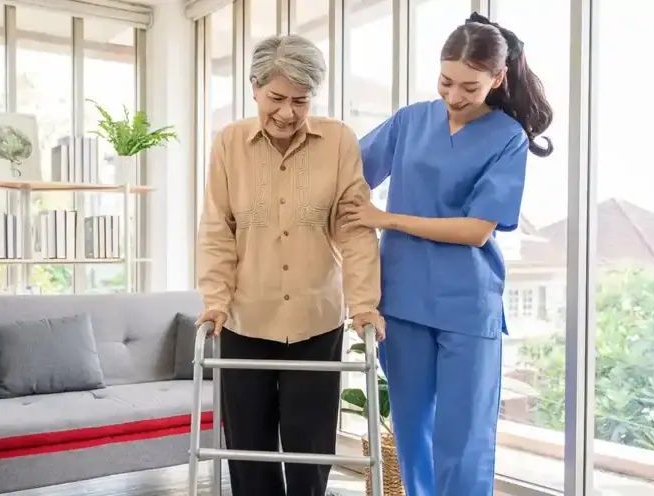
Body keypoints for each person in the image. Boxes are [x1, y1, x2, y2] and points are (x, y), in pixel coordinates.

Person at [339, 12, 554, 496]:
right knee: (414, 432)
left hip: (467, 305)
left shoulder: (506, 137)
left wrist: (388, 219)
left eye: (470, 88)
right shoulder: (410, 121)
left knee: (465, 438)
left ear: (498, 79)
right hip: (403, 300)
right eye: (446, 81)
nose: (455, 96)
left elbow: (478, 230)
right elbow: (346, 174)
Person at [195, 34, 385, 496]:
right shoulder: (229, 143)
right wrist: (215, 300)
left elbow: (355, 229)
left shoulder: (338, 141)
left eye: (300, 100)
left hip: (315, 322)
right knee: (248, 453)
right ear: (255, 88)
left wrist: (364, 304)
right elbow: (218, 229)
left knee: (310, 450)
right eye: (276, 98)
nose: (287, 112)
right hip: (244, 319)